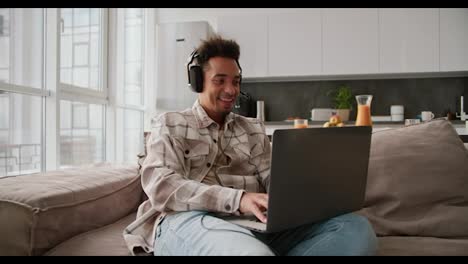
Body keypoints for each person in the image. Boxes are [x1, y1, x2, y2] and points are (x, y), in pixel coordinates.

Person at [123, 35, 378, 256]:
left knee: (356, 229)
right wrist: (239, 199)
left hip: (255, 225)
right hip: (191, 220)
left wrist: (310, 191)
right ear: (198, 81)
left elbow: (273, 181)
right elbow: (163, 187)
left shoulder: (253, 128)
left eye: (236, 81)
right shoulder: (170, 123)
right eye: (220, 80)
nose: (231, 89)